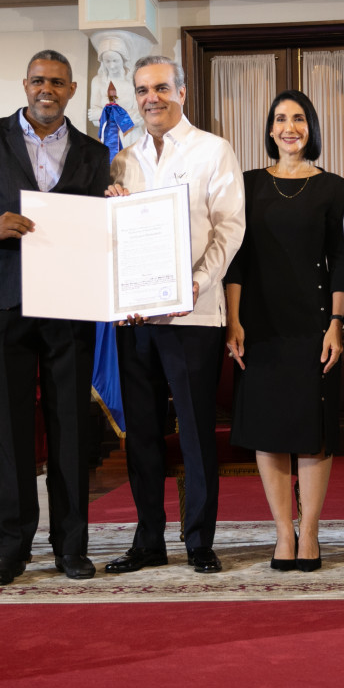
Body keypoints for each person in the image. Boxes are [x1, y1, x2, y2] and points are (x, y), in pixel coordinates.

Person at [0, 50, 111, 586]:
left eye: (57, 82)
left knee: (71, 430)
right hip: (2, 301)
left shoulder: (95, 152)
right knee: (9, 430)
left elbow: (101, 226)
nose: (46, 89)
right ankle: (10, 549)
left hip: (70, 304)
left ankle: (71, 548)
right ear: (25, 84)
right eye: (38, 80)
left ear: (72, 89)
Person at [103, 55, 245, 576]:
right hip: (134, 319)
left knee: (195, 432)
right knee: (140, 433)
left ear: (181, 92)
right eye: (143, 90)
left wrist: (198, 282)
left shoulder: (213, 150)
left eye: (161, 88)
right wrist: (110, 205)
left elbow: (230, 229)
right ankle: (148, 541)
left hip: (192, 315)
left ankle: (199, 540)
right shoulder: (123, 158)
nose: (151, 98)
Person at [225, 90, 344, 572]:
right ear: (270, 129)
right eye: (280, 119)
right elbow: (236, 259)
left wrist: (337, 324)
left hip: (314, 324)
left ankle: (310, 531)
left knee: (313, 431)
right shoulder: (248, 183)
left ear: (310, 128)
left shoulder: (333, 186)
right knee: (269, 429)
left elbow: (340, 261)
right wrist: (233, 320)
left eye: (298, 118)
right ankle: (282, 532)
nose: (289, 127)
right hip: (260, 325)